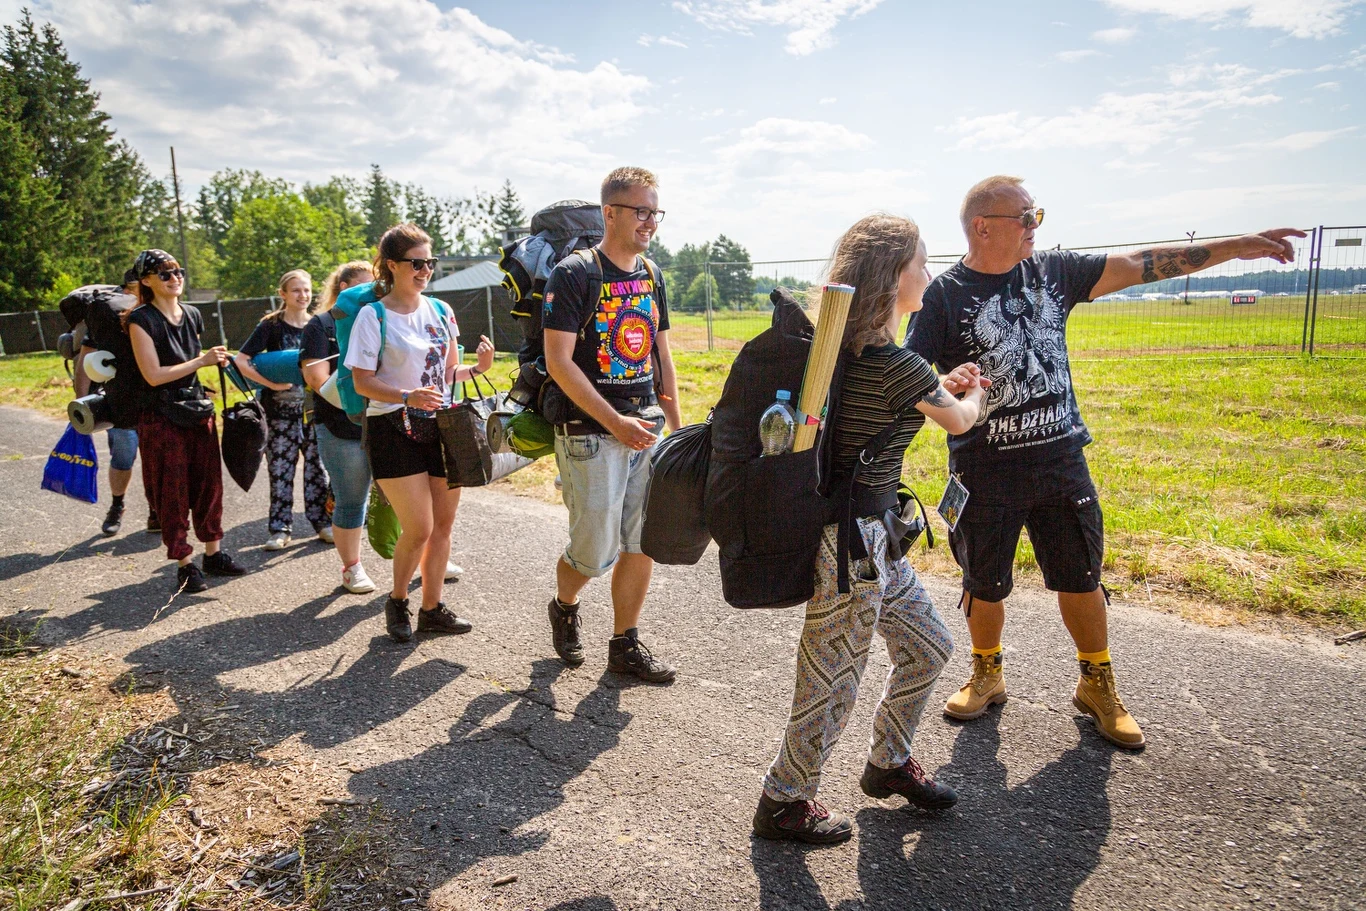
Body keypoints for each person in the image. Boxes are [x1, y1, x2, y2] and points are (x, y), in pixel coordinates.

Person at [906, 175, 1304, 749]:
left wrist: (1234, 247)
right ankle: (986, 672)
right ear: (982, 226)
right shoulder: (943, 295)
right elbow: (915, 377)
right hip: (985, 470)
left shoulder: (1054, 271)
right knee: (984, 581)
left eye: (1036, 215)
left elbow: (1143, 262)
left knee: (1081, 576)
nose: (1034, 227)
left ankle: (1096, 681)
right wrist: (945, 383)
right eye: (1025, 217)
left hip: (1060, 460)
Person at [752, 215, 988, 845]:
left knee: (928, 646)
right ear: (891, 278)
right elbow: (961, 422)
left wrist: (941, 385)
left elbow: (909, 397)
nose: (930, 275)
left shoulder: (852, 354)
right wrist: (976, 393)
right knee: (830, 679)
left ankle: (888, 761)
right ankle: (784, 800)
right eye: (921, 263)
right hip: (849, 547)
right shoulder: (898, 364)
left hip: (876, 539)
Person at [541, 166, 682, 683]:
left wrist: (676, 428)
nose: (650, 222)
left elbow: (662, 353)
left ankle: (625, 642)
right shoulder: (575, 273)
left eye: (655, 211)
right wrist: (614, 421)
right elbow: (559, 362)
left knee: (642, 540)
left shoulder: (652, 274)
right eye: (640, 211)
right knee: (593, 550)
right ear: (610, 213)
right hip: (588, 433)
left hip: (646, 428)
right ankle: (564, 603)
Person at [345, 224, 494, 642]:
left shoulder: (442, 312)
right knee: (420, 528)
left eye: (430, 262)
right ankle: (397, 601)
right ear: (392, 266)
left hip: (441, 426)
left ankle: (432, 609)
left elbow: (447, 376)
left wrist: (478, 369)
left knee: (444, 527)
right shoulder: (372, 316)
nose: (425, 270)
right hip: (391, 426)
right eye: (416, 262)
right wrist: (406, 395)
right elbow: (361, 382)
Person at [123, 249, 247, 593]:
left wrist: (212, 362)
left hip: (195, 410)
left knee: (209, 485)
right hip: (161, 416)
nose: (175, 278)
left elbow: (191, 360)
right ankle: (184, 563)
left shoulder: (191, 314)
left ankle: (213, 553)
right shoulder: (140, 320)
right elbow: (153, 375)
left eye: (178, 271)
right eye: (165, 274)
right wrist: (200, 361)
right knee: (172, 491)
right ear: (146, 281)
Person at [234, 270, 333, 551]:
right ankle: (279, 528)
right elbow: (241, 360)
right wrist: (270, 384)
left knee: (317, 470)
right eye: (296, 290)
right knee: (280, 470)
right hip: (278, 413)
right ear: (283, 294)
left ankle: (322, 523)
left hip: (314, 412)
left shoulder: (318, 325)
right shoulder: (271, 326)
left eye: (306, 290)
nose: (303, 295)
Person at [301, 261, 377, 593]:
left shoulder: (381, 319)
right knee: (352, 499)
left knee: (408, 495)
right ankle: (352, 568)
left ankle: (427, 557)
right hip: (339, 427)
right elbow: (316, 380)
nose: (372, 293)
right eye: (364, 286)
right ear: (344, 288)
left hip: (383, 422)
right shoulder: (320, 325)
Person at [74, 269, 158, 536]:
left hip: (155, 399)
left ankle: (156, 511)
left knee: (157, 458)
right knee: (123, 456)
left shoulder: (158, 315)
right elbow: (85, 363)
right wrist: (81, 404)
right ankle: (117, 505)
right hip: (119, 401)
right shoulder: (105, 319)